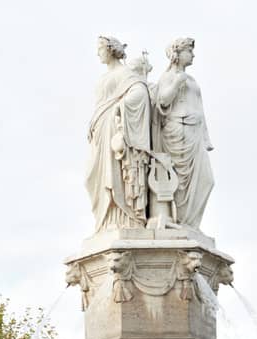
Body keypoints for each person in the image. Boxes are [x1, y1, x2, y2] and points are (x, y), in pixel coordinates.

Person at [86, 36, 154, 233]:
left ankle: (125, 218)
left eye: (100, 48)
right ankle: (105, 219)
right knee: (93, 177)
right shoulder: (103, 77)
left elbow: (140, 92)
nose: (98, 53)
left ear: (110, 49)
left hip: (114, 128)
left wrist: (119, 107)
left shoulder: (125, 73)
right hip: (101, 131)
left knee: (115, 174)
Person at [153, 37, 214, 230]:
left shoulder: (193, 80)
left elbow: (201, 109)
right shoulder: (168, 77)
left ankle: (190, 223)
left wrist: (206, 138)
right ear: (177, 54)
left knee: (206, 180)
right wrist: (177, 82)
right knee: (179, 180)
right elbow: (162, 100)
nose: (193, 54)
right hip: (177, 131)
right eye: (189, 50)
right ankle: (180, 221)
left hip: (194, 133)